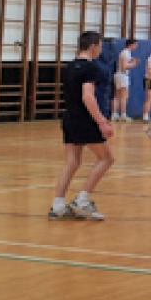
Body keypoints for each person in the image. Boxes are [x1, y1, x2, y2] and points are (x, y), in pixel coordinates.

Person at [50, 30, 114, 221]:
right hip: (86, 119)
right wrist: (101, 121)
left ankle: (58, 205)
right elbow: (88, 96)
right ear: (93, 46)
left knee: (72, 162)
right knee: (107, 159)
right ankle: (82, 201)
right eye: (100, 46)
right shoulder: (91, 68)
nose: (100, 50)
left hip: (69, 118)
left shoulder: (69, 66)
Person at [113, 38, 138, 122]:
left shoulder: (124, 52)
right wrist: (134, 64)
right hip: (123, 75)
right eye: (135, 45)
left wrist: (131, 61)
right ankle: (123, 115)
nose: (136, 46)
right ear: (131, 45)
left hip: (119, 75)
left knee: (117, 96)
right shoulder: (126, 53)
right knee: (124, 96)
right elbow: (125, 66)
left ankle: (114, 115)